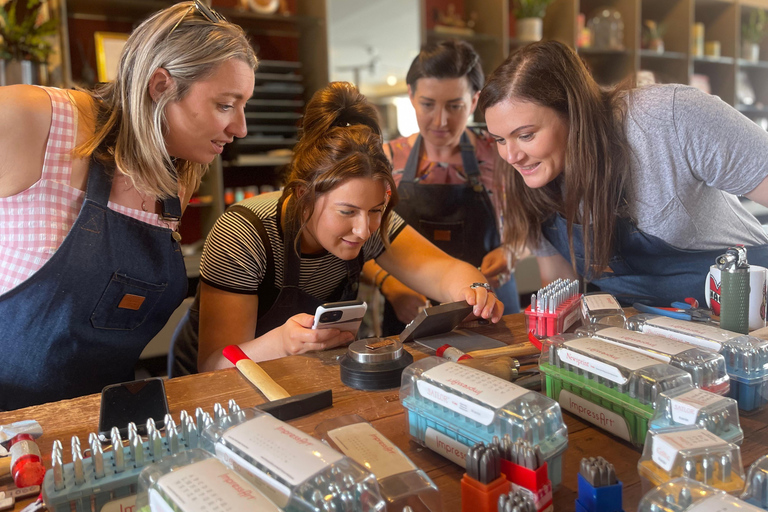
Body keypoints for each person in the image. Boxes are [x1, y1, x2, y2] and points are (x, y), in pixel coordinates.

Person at [0, 1, 257, 410]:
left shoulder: (177, 171)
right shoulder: (34, 120)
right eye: (225, 105)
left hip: (101, 427)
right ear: (160, 86)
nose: (240, 128)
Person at [169, 81, 503, 376]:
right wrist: (282, 343)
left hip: (297, 375)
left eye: (375, 210)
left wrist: (473, 291)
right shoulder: (245, 233)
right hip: (212, 393)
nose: (363, 230)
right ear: (304, 195)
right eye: (347, 211)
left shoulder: (373, 224)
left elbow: (444, 271)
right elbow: (215, 365)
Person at [479, 40, 768, 306]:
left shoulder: (669, 118)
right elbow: (559, 289)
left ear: (573, 112)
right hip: (640, 333)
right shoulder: (532, 178)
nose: (511, 156)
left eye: (526, 135)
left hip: (747, 309)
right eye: (500, 140)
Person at [362, 39, 519, 338]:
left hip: (489, 307)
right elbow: (358, 242)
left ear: (474, 101)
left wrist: (513, 251)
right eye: (428, 104)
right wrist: (392, 286)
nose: (440, 121)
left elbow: (532, 225)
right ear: (411, 95)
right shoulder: (385, 160)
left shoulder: (501, 154)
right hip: (411, 310)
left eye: (454, 106)